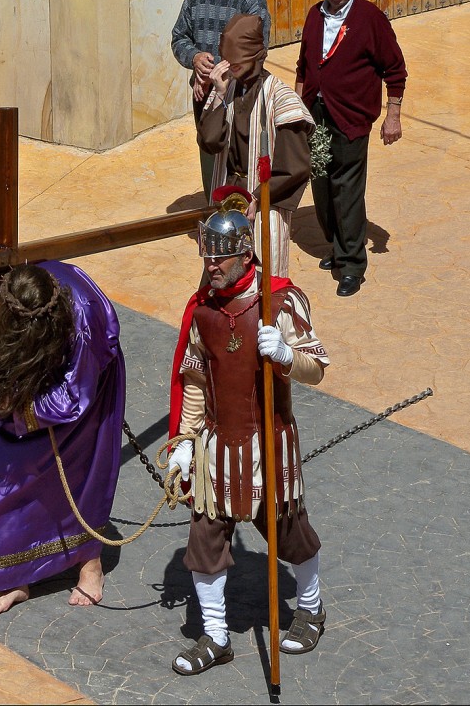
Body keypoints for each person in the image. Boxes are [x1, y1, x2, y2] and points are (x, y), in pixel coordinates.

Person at [165, 191, 330, 675]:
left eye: (220, 257)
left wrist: (285, 354)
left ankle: (311, 605)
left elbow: (317, 367)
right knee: (205, 541)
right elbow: (195, 380)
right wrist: (183, 445)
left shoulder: (281, 300)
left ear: (245, 253)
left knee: (289, 534)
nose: (211, 266)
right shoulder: (203, 312)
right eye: (206, 256)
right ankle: (216, 637)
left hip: (270, 445)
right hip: (217, 448)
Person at [0, 263, 126, 615]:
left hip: (87, 385)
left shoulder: (80, 319)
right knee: (5, 481)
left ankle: (89, 563)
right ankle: (17, 571)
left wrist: (20, 407)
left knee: (82, 476)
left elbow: (73, 396)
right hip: (18, 386)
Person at [295, 0, 407, 297]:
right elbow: (303, 67)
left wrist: (392, 115)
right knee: (322, 186)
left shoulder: (371, 19)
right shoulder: (315, 15)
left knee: (347, 191)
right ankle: (336, 246)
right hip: (317, 116)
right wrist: (297, 113)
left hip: (352, 117)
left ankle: (352, 264)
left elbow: (395, 70)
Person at [197, 14, 315, 277]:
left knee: (264, 283)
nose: (230, 67)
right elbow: (209, 141)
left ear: (256, 56)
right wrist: (217, 94)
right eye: (228, 60)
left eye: (238, 61)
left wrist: (260, 196)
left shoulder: (281, 98)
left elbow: (295, 166)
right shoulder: (226, 88)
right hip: (228, 203)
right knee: (221, 275)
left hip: (263, 204)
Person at [171, 0, 271, 199]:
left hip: (238, 96)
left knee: (237, 163)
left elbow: (258, 51)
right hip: (203, 96)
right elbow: (179, 37)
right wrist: (194, 58)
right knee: (209, 161)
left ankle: (240, 227)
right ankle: (216, 220)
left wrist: (219, 76)